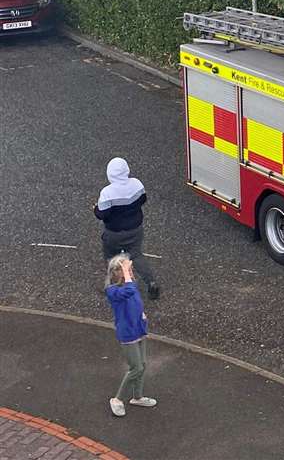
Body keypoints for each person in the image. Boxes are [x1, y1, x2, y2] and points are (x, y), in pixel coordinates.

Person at [94, 158, 160, 300]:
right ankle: (151, 282)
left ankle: (113, 286)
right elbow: (143, 199)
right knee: (136, 255)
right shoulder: (137, 184)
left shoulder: (107, 192)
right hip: (135, 229)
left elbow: (101, 214)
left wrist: (95, 208)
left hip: (114, 233)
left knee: (111, 258)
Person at [105, 254, 156, 416]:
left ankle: (138, 397)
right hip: (127, 333)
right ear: (116, 272)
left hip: (139, 328)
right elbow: (128, 291)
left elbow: (136, 299)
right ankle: (117, 399)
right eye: (126, 270)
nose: (130, 272)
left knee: (143, 364)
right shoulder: (112, 291)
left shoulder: (130, 283)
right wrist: (128, 273)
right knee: (136, 367)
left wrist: (142, 314)